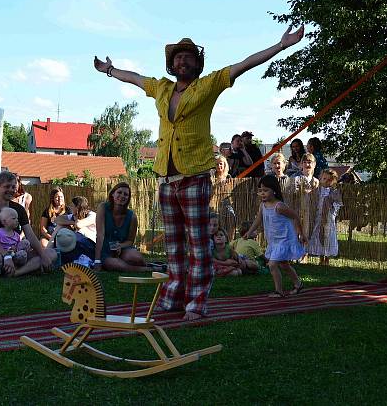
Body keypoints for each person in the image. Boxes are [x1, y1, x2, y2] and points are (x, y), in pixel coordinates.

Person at [94, 25, 304, 320]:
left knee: (198, 245)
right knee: (174, 246)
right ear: (172, 63)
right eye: (178, 57)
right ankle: (175, 294)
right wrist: (110, 70)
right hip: (166, 180)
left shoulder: (207, 86)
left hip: (193, 177)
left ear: (197, 63)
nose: (182, 61)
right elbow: (135, 78)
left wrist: (281, 46)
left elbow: (244, 64)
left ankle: (196, 302)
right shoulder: (162, 88)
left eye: (188, 57)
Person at [0, 171, 55, 277]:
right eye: (7, 186)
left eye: (13, 187)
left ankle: (16, 272)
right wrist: (6, 257)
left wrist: (43, 255)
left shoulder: (19, 209)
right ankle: (29, 268)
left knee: (51, 253)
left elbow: (30, 235)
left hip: (17, 254)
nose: (11, 190)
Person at [254, 174, 305, 297]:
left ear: (274, 191)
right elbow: (258, 220)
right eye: (260, 191)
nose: (262, 193)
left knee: (272, 264)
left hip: (285, 239)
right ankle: (298, 284)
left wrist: (300, 232)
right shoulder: (263, 206)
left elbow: (295, 216)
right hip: (274, 241)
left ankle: (279, 291)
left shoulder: (279, 206)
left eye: (265, 190)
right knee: (284, 265)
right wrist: (249, 232)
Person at [94, 182, 152, 273]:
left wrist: (120, 246)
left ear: (128, 198)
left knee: (136, 258)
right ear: (113, 194)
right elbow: (100, 235)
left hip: (123, 249)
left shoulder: (132, 216)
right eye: (119, 192)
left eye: (126, 194)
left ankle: (143, 265)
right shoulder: (103, 208)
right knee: (113, 264)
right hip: (105, 249)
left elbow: (130, 241)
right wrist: (97, 261)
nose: (122, 196)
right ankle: (149, 269)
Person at [308, 169, 342, 265]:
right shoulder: (317, 190)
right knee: (318, 235)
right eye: (324, 179)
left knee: (327, 236)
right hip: (318, 217)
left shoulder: (334, 192)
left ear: (334, 181)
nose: (326, 181)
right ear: (320, 178)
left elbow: (338, 204)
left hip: (328, 218)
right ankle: (321, 256)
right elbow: (313, 202)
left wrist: (331, 208)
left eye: (329, 179)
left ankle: (327, 258)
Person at [294, 153, 319, 254]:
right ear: (301, 164)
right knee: (297, 230)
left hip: (310, 209)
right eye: (305, 162)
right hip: (299, 208)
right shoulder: (297, 179)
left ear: (314, 164)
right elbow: (292, 194)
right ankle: (296, 253)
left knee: (307, 230)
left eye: (309, 162)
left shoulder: (316, 181)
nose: (307, 165)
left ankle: (305, 253)